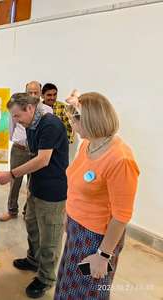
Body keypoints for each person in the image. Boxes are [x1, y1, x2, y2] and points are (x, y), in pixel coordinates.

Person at [54, 92, 139, 299]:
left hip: (96, 239)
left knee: (87, 288)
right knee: (68, 283)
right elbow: (76, 184)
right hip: (76, 228)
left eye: (74, 121)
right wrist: (68, 215)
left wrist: (103, 255)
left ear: (89, 122)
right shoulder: (87, 144)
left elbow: (121, 217)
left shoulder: (121, 159)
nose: (71, 126)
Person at [0, 93, 68, 298]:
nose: (15, 121)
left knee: (50, 238)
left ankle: (46, 278)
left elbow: (43, 160)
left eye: (17, 116)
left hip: (52, 192)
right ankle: (33, 260)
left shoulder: (50, 125)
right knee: (32, 226)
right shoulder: (31, 125)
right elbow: (33, 155)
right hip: (37, 187)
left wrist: (11, 174)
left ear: (29, 108)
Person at [0, 81, 52, 222]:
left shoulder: (47, 110)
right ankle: (11, 210)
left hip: (36, 151)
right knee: (14, 181)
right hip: (19, 149)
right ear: (25, 92)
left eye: (36, 92)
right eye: (30, 92)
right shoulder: (17, 109)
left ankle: (27, 212)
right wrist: (18, 140)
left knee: (32, 183)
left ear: (41, 93)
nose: (33, 95)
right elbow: (12, 127)